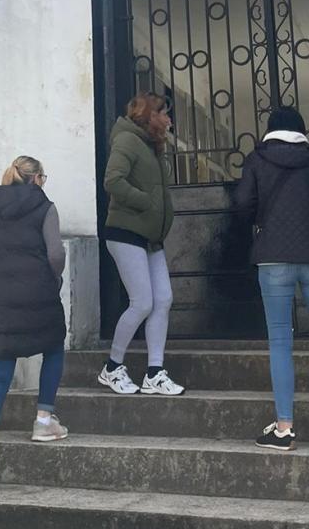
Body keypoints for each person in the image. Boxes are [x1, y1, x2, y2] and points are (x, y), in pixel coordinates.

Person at [234, 106, 309, 451]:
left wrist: (263, 215)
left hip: (272, 257)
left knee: (280, 342)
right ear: (302, 130)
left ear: (270, 130)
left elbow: (242, 203)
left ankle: (285, 427)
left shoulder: (257, 159)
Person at [0, 156, 68, 494]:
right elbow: (55, 254)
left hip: (0, 300)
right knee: (54, 347)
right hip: (39, 293)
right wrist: (54, 279)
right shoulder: (46, 207)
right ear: (36, 178)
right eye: (45, 176)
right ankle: (43, 420)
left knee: (0, 373)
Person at [98, 92, 185, 397]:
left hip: (150, 238)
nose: (169, 119)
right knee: (143, 302)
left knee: (163, 300)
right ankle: (112, 367)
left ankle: (155, 372)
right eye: (165, 113)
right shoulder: (127, 140)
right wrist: (146, 202)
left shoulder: (153, 145)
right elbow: (113, 181)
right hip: (125, 232)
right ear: (150, 115)